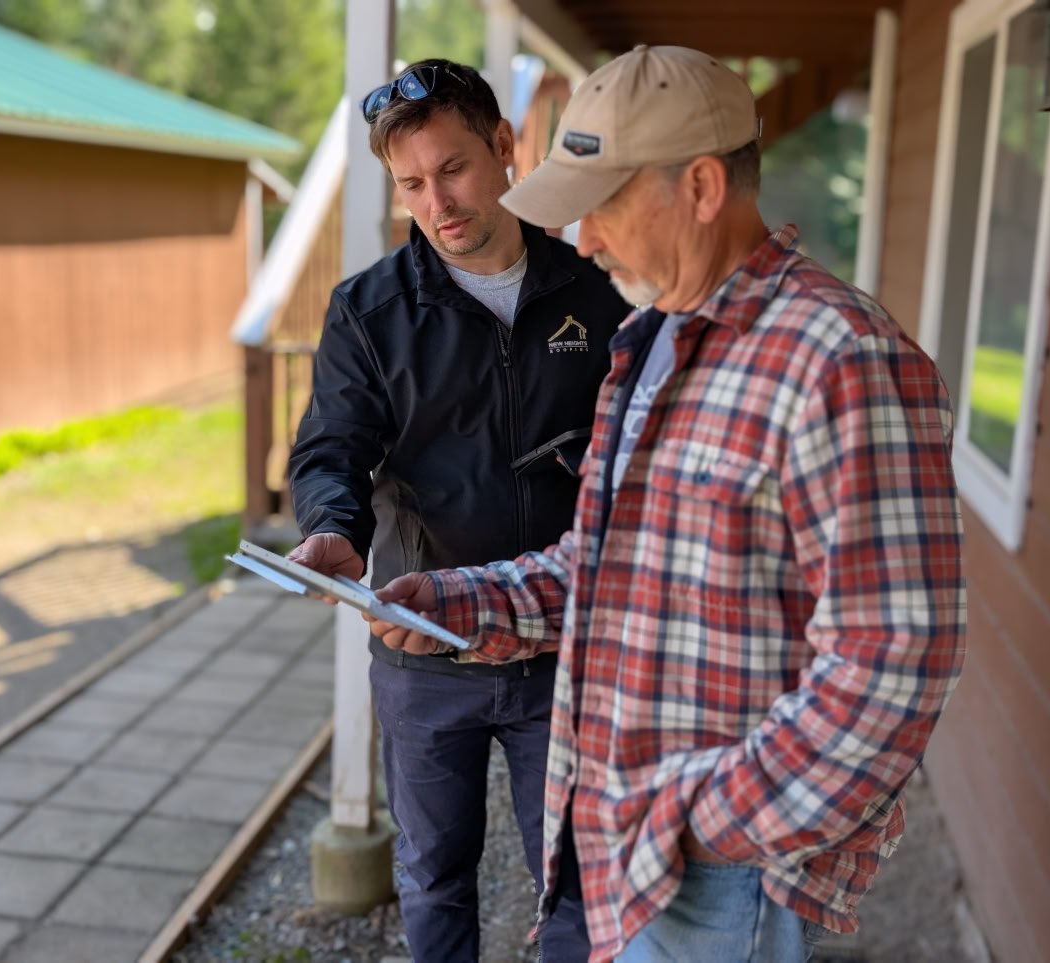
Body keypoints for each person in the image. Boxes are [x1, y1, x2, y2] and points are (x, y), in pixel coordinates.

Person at [366, 45, 967, 963]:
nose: (587, 240)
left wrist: (696, 822)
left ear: (699, 187)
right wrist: (457, 600)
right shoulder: (651, 343)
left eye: (603, 205)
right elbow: (601, 570)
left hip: (727, 872)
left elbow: (895, 661)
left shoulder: (842, 360)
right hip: (633, 839)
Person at [286, 58, 628, 963]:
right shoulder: (367, 311)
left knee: (577, 877)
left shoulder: (596, 291)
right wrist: (331, 528)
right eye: (411, 183)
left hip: (564, 646)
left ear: (505, 148)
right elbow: (333, 448)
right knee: (433, 873)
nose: (437, 201)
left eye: (454, 168)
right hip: (423, 645)